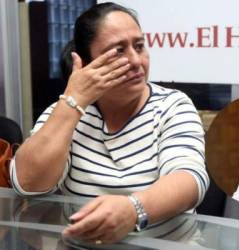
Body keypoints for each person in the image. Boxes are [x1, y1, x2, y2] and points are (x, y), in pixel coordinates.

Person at [10, 2, 209, 244]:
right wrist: (73, 102)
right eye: (118, 51)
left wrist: (134, 209)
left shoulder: (172, 105)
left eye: (139, 46)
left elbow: (189, 179)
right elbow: (28, 184)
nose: (136, 61)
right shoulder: (66, 112)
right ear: (86, 63)